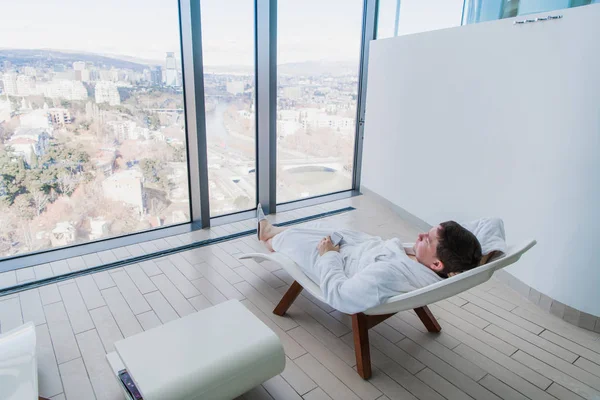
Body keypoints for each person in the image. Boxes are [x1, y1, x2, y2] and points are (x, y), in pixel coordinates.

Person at [257, 205, 482, 314]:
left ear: (436, 264)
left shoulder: (389, 274)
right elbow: (493, 226)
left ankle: (270, 235)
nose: (421, 235)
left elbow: (340, 297)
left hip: (337, 261)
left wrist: (329, 255)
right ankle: (276, 231)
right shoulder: (438, 265)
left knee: (292, 241)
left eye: (428, 240)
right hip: (358, 248)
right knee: (317, 228)